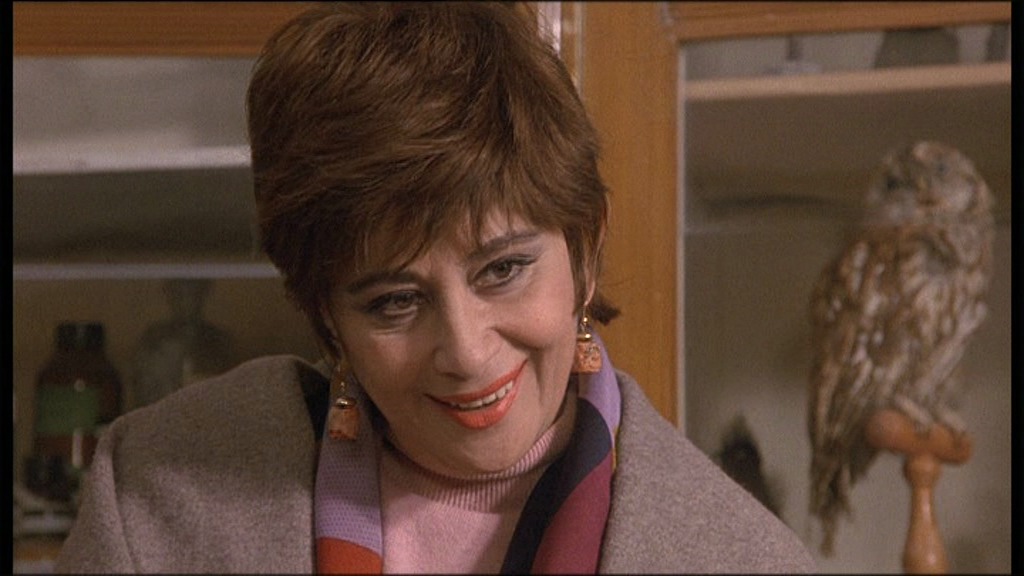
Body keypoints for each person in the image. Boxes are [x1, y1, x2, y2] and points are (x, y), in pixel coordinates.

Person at [56, 3, 815, 573]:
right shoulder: (154, 500)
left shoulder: (743, 558)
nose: (466, 352)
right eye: (396, 302)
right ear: (325, 314)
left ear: (585, 249)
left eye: (503, 270)